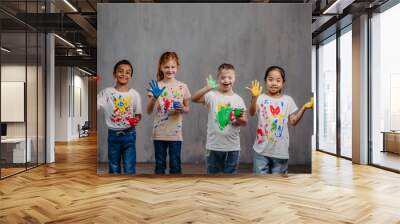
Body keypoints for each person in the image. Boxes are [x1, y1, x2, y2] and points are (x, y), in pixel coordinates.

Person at [246, 66, 313, 174]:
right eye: (270, 79)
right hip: (261, 151)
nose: (274, 83)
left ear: (283, 83)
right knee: (259, 184)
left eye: (278, 80)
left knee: (278, 184)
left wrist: (304, 108)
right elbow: (252, 112)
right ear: (265, 81)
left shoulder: (288, 100)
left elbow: (293, 121)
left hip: (280, 152)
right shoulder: (261, 97)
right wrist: (254, 97)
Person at [192, 63, 247, 174]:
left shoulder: (238, 99)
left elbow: (244, 121)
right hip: (213, 146)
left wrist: (236, 120)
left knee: (229, 179)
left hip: (232, 147)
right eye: (223, 77)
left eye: (229, 77)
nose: (226, 80)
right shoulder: (212, 95)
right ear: (218, 79)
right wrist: (206, 88)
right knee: (213, 178)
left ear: (234, 79)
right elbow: (194, 98)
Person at [146, 52, 191, 174]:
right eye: (166, 67)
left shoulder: (183, 87)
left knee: (175, 165)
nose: (170, 70)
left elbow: (188, 109)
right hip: (159, 133)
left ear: (177, 67)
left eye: (173, 67)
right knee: (160, 165)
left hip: (175, 135)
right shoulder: (157, 86)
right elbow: (149, 111)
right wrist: (155, 97)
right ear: (161, 67)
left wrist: (182, 108)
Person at [97, 59, 142, 174]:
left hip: (129, 134)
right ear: (114, 74)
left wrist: (135, 120)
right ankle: (116, 190)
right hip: (113, 136)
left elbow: (138, 115)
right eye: (120, 71)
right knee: (114, 167)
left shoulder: (134, 94)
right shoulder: (107, 92)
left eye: (128, 72)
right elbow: (96, 105)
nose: (124, 74)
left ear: (131, 76)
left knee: (129, 167)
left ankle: (128, 190)